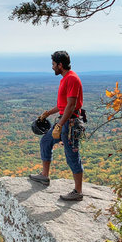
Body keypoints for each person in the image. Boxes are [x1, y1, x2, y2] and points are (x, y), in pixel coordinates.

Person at [29, 51, 84, 201]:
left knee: (72, 156)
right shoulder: (65, 78)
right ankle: (44, 176)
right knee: (46, 141)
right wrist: (47, 113)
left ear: (60, 65)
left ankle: (78, 192)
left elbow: (71, 105)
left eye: (53, 64)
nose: (52, 67)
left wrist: (60, 124)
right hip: (64, 121)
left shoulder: (71, 79)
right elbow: (63, 105)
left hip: (70, 123)